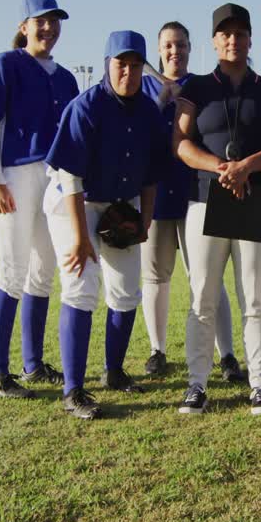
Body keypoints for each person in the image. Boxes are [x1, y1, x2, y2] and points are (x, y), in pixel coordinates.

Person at [172, 3, 261, 415]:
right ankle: (197, 386)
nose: (233, 40)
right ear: (214, 41)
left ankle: (260, 385)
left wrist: (245, 168)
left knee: (255, 299)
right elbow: (181, 144)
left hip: (255, 197)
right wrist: (220, 167)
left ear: (250, 38)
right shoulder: (197, 87)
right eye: (225, 34)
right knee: (202, 298)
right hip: (206, 200)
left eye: (241, 33)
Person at [43, 30, 166, 419]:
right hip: (73, 200)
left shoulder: (148, 110)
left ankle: (113, 371)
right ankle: (73, 390)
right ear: (107, 64)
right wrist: (80, 238)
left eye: (134, 65)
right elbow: (70, 178)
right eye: (120, 64)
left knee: (127, 290)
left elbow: (151, 176)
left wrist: (145, 223)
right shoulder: (87, 106)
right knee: (81, 285)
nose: (128, 71)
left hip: (122, 202)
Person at [0, 0, 78, 398]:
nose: (48, 28)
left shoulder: (66, 78)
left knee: (44, 270)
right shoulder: (6, 64)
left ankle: (32, 363)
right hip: (14, 174)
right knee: (10, 270)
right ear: (24, 26)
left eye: (54, 20)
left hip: (53, 177)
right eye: (40, 21)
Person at [140, 22, 244, 383]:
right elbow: (143, 133)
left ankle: (227, 354)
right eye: (168, 45)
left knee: (208, 278)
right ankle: (157, 350)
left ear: (190, 48)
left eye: (181, 45)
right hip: (154, 192)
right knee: (156, 274)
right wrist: (161, 100)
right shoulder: (145, 86)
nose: (175, 51)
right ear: (159, 50)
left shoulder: (201, 88)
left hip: (197, 192)